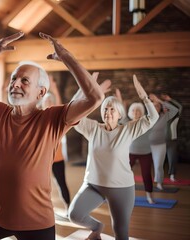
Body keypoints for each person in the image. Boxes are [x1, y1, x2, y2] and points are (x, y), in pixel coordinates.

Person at [0, 32, 104, 240]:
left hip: (37, 222)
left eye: (25, 81)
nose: (15, 84)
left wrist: (67, 58)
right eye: (14, 78)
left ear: (41, 93)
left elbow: (95, 97)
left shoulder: (54, 118)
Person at [68, 75, 159, 240]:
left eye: (112, 109)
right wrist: (85, 92)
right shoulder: (93, 128)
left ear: (120, 114)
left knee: (121, 233)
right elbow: (70, 113)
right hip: (93, 185)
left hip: (122, 189)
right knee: (74, 215)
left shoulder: (128, 129)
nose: (107, 112)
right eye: (104, 108)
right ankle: (97, 228)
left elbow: (153, 118)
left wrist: (143, 96)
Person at [41, 76, 71, 211]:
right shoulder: (38, 116)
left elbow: (59, 104)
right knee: (41, 185)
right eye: (46, 100)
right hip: (42, 159)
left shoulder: (56, 117)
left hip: (57, 159)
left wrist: (53, 87)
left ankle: (68, 207)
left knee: (61, 184)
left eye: (50, 100)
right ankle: (42, 208)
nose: (48, 102)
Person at [148, 93, 178, 190]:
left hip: (160, 145)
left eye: (157, 106)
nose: (155, 108)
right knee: (146, 166)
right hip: (147, 146)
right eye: (153, 106)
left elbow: (175, 110)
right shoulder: (147, 117)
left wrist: (159, 100)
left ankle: (159, 182)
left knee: (158, 165)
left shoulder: (164, 117)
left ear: (160, 108)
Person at [128, 102, 155, 204]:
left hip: (145, 152)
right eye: (134, 110)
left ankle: (149, 196)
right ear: (131, 112)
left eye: (138, 110)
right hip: (131, 152)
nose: (136, 112)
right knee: (123, 172)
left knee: (146, 174)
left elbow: (153, 116)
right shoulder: (128, 123)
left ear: (142, 112)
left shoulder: (146, 123)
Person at [160, 94, 182, 182]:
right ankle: (159, 176)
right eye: (164, 107)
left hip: (172, 141)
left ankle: (172, 175)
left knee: (172, 159)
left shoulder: (175, 116)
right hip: (161, 141)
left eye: (167, 107)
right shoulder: (160, 117)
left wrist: (170, 99)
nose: (165, 108)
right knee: (159, 160)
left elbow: (180, 107)